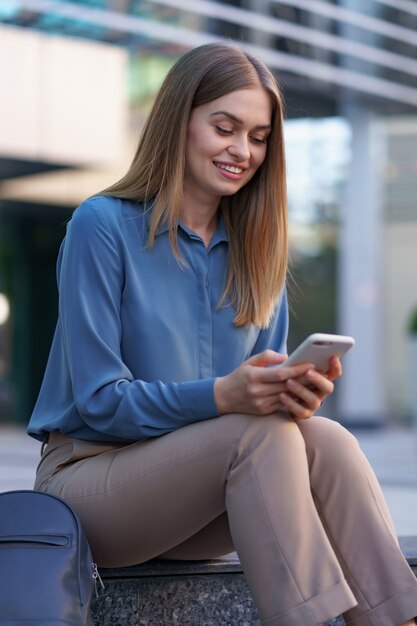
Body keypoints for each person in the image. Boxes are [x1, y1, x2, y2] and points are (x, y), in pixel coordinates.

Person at [28, 43, 417, 626]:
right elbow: (101, 401)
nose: (242, 150)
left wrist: (290, 395)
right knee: (255, 438)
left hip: (205, 499)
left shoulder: (258, 252)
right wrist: (225, 397)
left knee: (328, 441)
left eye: (259, 137)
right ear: (179, 121)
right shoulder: (101, 226)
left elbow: (262, 414)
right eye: (225, 127)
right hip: (92, 486)